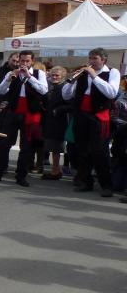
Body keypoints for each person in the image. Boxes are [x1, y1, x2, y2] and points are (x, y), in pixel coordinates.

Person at [62, 48, 119, 197]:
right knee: (82, 150)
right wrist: (72, 81)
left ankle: (106, 185)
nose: (91, 61)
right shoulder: (82, 73)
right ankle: (86, 182)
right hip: (82, 116)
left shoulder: (112, 73)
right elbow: (66, 96)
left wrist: (94, 76)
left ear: (103, 60)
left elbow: (111, 92)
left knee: (100, 152)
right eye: (90, 58)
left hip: (99, 117)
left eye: (95, 58)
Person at [0, 50, 47, 187]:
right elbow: (1, 91)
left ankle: (21, 176)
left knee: (26, 147)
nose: (24, 64)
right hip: (12, 112)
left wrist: (29, 77)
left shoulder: (39, 74)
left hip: (29, 115)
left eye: (27, 61)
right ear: (19, 60)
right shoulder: (11, 73)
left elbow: (43, 90)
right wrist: (9, 79)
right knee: (3, 144)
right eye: (22, 61)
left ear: (32, 61)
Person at [41, 66, 70, 180]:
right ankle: (55, 170)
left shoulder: (64, 88)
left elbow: (70, 105)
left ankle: (55, 171)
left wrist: (57, 110)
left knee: (57, 148)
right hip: (50, 121)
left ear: (62, 76)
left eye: (57, 75)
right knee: (53, 147)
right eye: (53, 75)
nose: (54, 77)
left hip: (60, 121)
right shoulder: (50, 87)